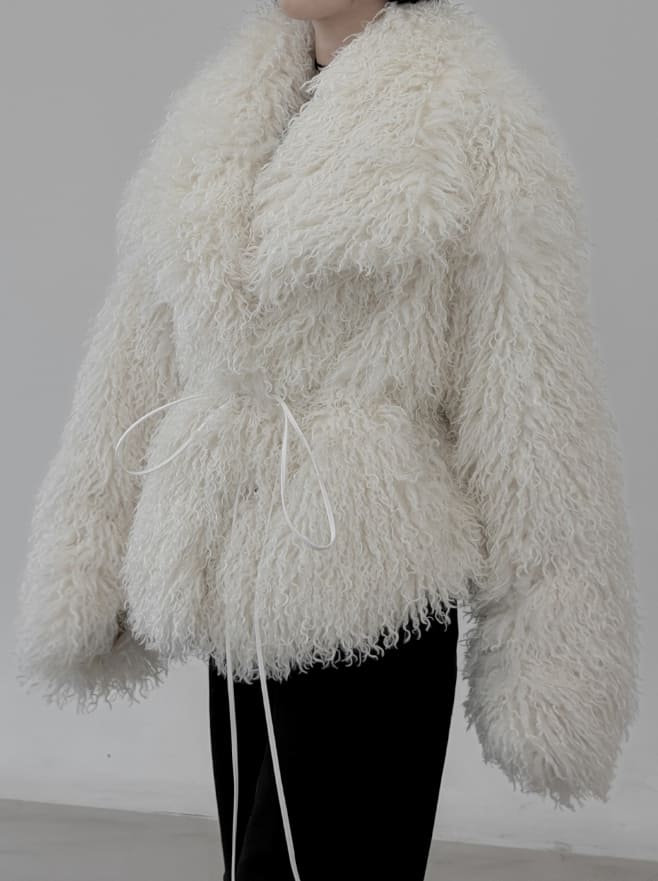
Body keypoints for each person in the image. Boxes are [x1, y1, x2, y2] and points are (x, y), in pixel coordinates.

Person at [14, 1, 640, 881]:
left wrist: (555, 641)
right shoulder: (222, 112)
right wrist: (90, 546)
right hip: (228, 564)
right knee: (254, 856)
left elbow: (534, 401)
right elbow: (134, 352)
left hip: (368, 572)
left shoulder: (473, 117)